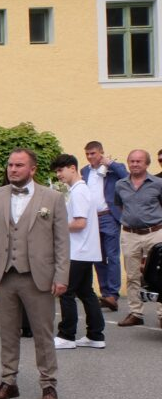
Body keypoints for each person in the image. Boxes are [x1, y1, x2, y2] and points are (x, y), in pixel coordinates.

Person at [0, 148, 69, 399]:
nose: (13, 169)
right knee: (7, 332)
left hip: (38, 276)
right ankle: (8, 380)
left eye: (19, 165)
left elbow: (62, 241)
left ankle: (48, 384)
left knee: (43, 333)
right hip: (5, 275)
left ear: (32, 169)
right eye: (10, 165)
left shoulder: (52, 198)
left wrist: (61, 275)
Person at [49, 153, 106, 349]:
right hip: (85, 250)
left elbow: (80, 223)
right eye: (57, 171)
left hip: (77, 251)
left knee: (66, 292)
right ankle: (95, 335)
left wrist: (57, 227)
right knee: (85, 292)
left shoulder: (79, 191)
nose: (58, 175)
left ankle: (67, 335)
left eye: (60, 170)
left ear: (72, 168)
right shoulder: (81, 190)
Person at [112, 149, 162, 327]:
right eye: (131, 161)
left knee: (159, 275)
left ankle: (161, 315)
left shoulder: (158, 184)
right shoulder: (120, 184)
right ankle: (135, 313)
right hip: (129, 234)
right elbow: (120, 206)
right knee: (132, 274)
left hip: (155, 233)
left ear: (147, 164)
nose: (134, 164)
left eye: (138, 161)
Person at [81, 141, 128, 311]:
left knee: (112, 255)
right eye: (87, 154)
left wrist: (110, 164)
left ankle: (113, 294)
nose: (89, 157)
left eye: (93, 153)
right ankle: (105, 293)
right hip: (92, 218)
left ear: (101, 153)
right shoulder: (85, 171)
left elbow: (126, 177)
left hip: (109, 215)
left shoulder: (113, 167)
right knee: (97, 257)